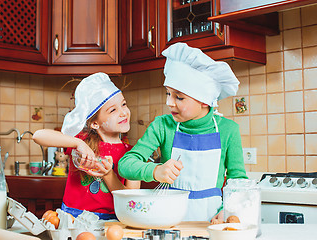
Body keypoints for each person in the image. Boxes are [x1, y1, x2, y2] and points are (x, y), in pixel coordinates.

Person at [118, 42, 247, 223]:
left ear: (204, 101)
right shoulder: (162, 126)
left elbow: (238, 181)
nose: (169, 102)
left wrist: (229, 209)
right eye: (168, 93)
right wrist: (156, 171)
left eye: (179, 97)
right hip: (168, 220)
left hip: (211, 222)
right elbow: (125, 164)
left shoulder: (228, 130)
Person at [33, 72, 140, 220]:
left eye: (123, 104)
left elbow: (131, 201)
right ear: (95, 123)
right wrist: (78, 143)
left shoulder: (134, 154)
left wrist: (108, 175)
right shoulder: (80, 141)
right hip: (71, 218)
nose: (123, 113)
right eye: (113, 110)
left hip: (109, 222)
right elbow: (38, 135)